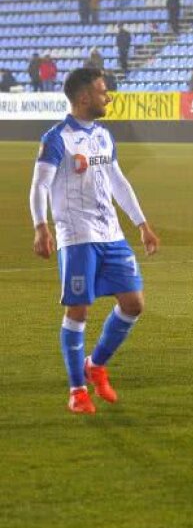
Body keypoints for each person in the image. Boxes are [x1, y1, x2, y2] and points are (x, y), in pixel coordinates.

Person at [28, 67, 160, 414]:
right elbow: (40, 185)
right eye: (103, 92)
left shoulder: (103, 135)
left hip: (111, 234)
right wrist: (41, 226)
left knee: (133, 304)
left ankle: (96, 364)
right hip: (77, 237)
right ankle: (77, 390)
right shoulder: (57, 139)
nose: (108, 97)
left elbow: (118, 181)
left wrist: (142, 224)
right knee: (79, 310)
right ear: (84, 97)